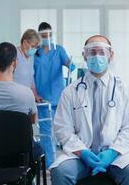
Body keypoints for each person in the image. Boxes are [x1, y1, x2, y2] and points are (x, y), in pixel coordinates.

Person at [50, 35, 129, 185]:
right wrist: (82, 152)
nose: (97, 57)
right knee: (61, 172)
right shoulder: (70, 92)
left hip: (115, 155)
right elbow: (62, 128)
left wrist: (112, 152)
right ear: (84, 56)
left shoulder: (125, 90)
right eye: (92, 52)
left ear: (111, 55)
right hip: (80, 155)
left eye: (101, 52)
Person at [0, 42, 43, 162]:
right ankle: (25, 179)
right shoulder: (26, 93)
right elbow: (32, 120)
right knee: (39, 150)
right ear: (15, 62)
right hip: (19, 154)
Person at [34, 22, 75, 167]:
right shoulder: (35, 53)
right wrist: (34, 94)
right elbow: (30, 76)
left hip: (59, 97)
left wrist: (71, 63)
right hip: (43, 99)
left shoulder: (59, 50)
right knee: (47, 134)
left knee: (63, 131)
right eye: (44, 36)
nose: (47, 38)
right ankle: (49, 165)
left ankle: (68, 163)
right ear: (39, 36)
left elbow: (70, 65)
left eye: (49, 35)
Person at [13, 29, 41, 101]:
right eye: (33, 46)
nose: (34, 49)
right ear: (25, 42)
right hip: (14, 98)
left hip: (27, 98)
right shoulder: (14, 54)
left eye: (36, 47)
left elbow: (31, 78)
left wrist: (35, 95)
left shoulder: (31, 57)